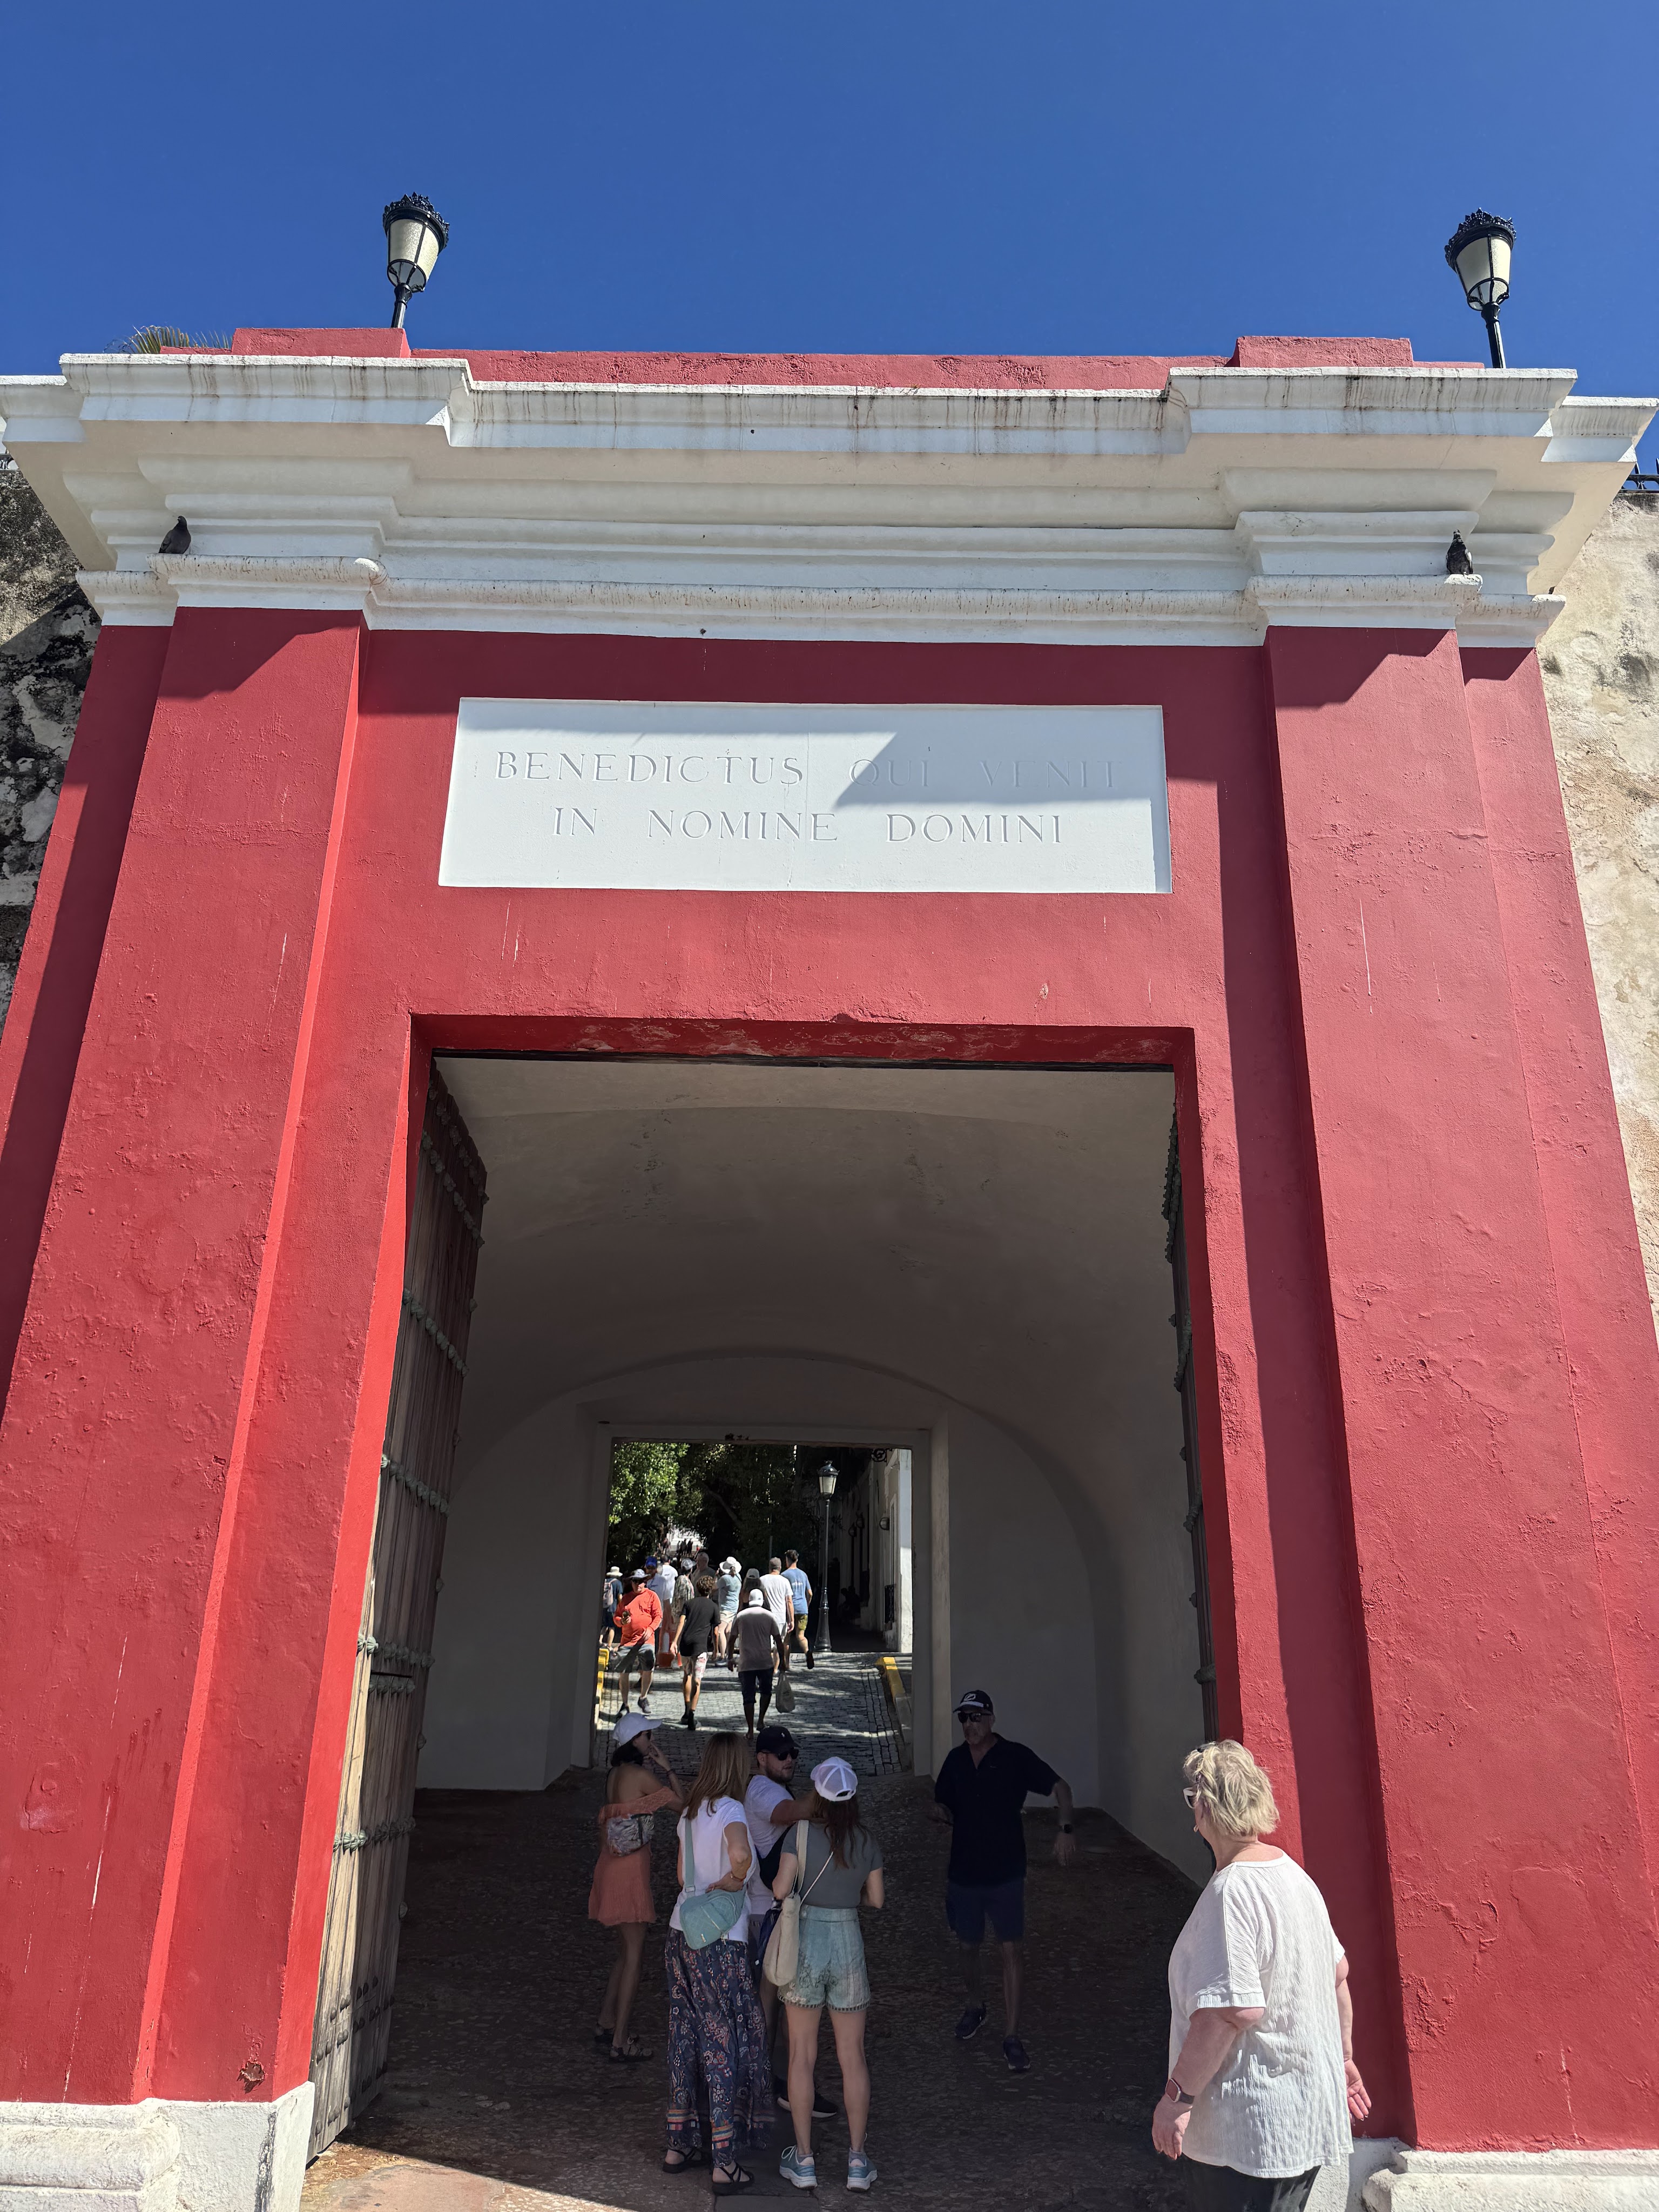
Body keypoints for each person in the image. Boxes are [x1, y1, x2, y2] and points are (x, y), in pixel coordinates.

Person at [1152, 1741, 1369, 2211]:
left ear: (1204, 1808)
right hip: (1302, 2118)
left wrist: (1176, 2099)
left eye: (1193, 1799)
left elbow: (1230, 2010)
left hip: (1248, 2132)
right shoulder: (1295, 1877)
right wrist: (1345, 2058)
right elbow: (1338, 1976)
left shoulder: (1231, 1892)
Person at [929, 1688, 1075, 2074]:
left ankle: (1012, 2035)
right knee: (967, 1947)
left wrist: (1065, 1828)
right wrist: (939, 1812)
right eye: (964, 1718)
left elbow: (1061, 1788)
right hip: (964, 1873)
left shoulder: (1015, 1756)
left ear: (992, 1719)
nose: (969, 1724)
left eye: (976, 1717)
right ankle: (976, 2005)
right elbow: (942, 1801)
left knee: (1011, 1950)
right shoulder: (956, 1761)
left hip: (1006, 1873)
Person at [664, 1732, 774, 2190]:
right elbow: (741, 1854)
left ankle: (679, 2143)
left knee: (683, 2037)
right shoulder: (731, 1811)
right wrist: (735, 1879)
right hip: (721, 1942)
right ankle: (724, 2159)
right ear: (736, 1767)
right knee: (722, 2044)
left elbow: (681, 1875)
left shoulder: (690, 1813)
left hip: (681, 1932)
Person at [774, 1757, 885, 2193]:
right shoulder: (866, 1840)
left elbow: (780, 1889)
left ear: (817, 1795)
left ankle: (803, 2160)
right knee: (852, 2056)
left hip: (807, 1940)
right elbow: (877, 1899)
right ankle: (857, 2161)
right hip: (848, 1941)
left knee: (801, 2055)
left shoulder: (799, 1834)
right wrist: (849, 1891)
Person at [741, 1726, 838, 2125]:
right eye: (781, 1754)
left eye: (793, 1753)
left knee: (778, 2001)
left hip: (773, 1911)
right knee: (777, 2000)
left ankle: (772, 2082)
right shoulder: (764, 1791)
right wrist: (832, 1785)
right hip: (769, 1913)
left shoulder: (769, 1788)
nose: (789, 1759)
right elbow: (793, 1813)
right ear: (761, 1758)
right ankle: (768, 2084)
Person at [588, 1711, 683, 2061]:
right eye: (647, 1736)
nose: (651, 1741)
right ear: (635, 1741)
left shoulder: (614, 1774)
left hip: (609, 1867)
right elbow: (684, 1806)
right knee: (635, 1957)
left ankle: (606, 2020)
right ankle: (621, 2040)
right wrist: (668, 1769)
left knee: (624, 1952)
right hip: (630, 1873)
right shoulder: (641, 1776)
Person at [729, 1587, 787, 1735]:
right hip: (765, 1662)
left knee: (748, 1697)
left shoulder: (741, 1616)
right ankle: (761, 1720)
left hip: (746, 1663)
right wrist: (783, 1660)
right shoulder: (769, 1616)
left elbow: (732, 1639)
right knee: (766, 1692)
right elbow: (778, 1640)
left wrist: (730, 1658)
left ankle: (750, 1729)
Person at [670, 1572, 723, 1731]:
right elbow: (716, 1632)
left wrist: (675, 1641)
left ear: (698, 1589)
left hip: (686, 1644)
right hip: (701, 1647)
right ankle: (693, 1715)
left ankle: (687, 1710)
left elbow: (681, 1622)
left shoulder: (689, 1604)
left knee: (687, 1675)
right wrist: (716, 1649)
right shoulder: (714, 1607)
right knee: (697, 1680)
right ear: (710, 1590)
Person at [612, 1568, 663, 1715]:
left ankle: (643, 1697)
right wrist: (622, 1622)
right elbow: (617, 1617)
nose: (638, 1584)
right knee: (623, 1672)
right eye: (635, 1581)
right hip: (627, 1641)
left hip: (646, 1640)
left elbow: (658, 1616)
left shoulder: (652, 1596)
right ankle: (625, 1704)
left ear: (645, 1582)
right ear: (632, 1583)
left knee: (649, 1668)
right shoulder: (626, 1599)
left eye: (640, 1581)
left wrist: (651, 1629)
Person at [781, 1549, 814, 1671]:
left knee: (787, 1639)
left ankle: (786, 1664)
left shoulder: (784, 1575)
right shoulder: (803, 1575)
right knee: (801, 1636)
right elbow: (810, 1593)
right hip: (803, 1608)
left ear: (787, 1560)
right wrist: (806, 1604)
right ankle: (807, 1652)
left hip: (790, 1610)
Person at [648, 1554, 677, 1661]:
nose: (650, 1570)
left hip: (656, 1617)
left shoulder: (662, 1581)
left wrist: (669, 1620)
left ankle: (653, 1660)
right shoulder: (642, 1581)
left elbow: (667, 1602)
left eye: (653, 1568)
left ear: (656, 1568)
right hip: (643, 1616)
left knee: (655, 1640)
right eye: (649, 1568)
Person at [716, 1558, 743, 1666]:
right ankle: (729, 1655)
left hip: (725, 1608)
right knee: (728, 1632)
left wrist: (716, 1576)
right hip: (734, 1607)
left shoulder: (725, 1579)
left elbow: (714, 1587)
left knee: (720, 1631)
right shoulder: (738, 1577)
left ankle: (723, 1656)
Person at [600, 1564, 623, 1649]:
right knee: (612, 1627)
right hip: (613, 1608)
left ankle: (600, 1640)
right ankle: (609, 1645)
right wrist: (621, 1606)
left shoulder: (606, 1581)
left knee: (605, 1625)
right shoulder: (618, 1583)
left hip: (604, 1607)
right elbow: (620, 1597)